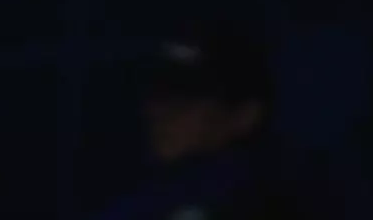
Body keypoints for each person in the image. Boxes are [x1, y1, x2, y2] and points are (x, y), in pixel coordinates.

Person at [91, 25, 314, 220]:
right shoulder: (148, 197)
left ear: (244, 115)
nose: (160, 113)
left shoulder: (252, 202)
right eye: (156, 95)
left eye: (185, 100)